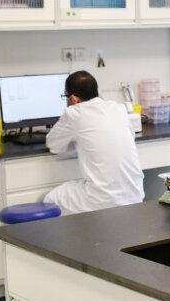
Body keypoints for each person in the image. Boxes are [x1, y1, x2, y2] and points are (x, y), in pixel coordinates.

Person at [44, 70, 144, 214]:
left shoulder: (74, 112)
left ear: (73, 99)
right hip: (135, 197)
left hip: (104, 201)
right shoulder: (118, 108)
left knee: (50, 199)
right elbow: (131, 135)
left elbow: (53, 145)